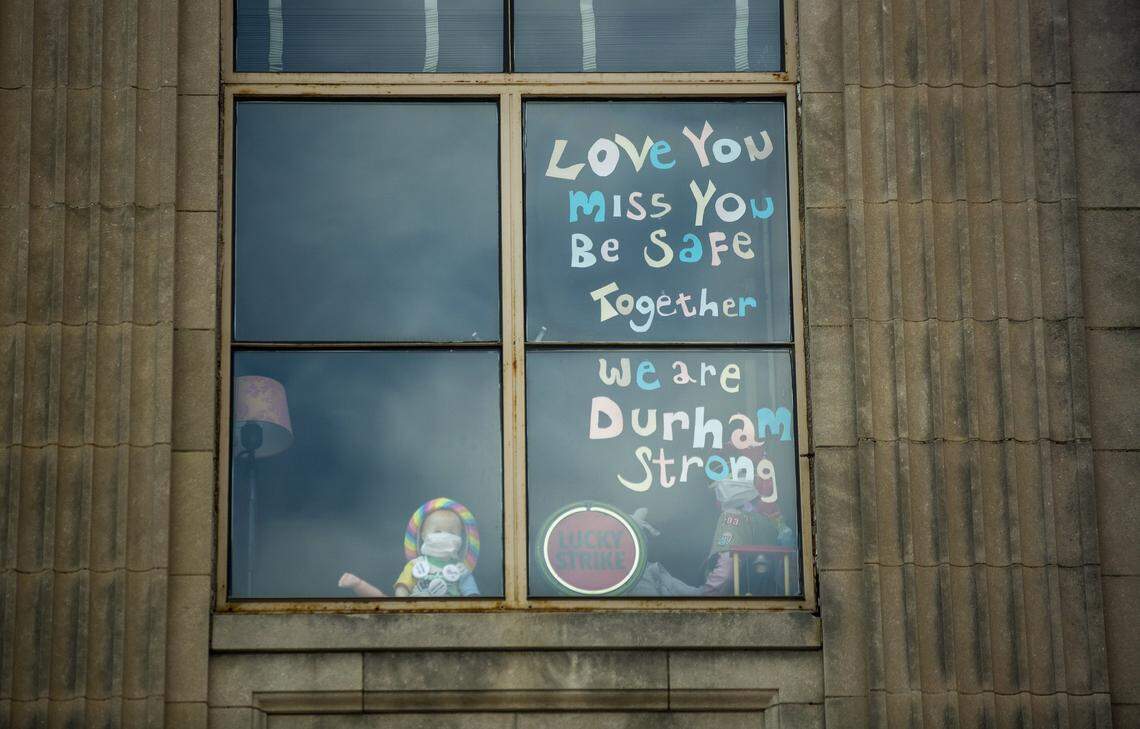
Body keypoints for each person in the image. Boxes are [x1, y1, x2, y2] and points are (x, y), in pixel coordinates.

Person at [338, 497, 481, 598]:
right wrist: (403, 602)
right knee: (383, 602)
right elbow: (403, 587)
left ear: (461, 538)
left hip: (449, 614)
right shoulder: (416, 565)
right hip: (416, 611)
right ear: (423, 535)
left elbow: (472, 595)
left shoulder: (461, 569)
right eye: (438, 532)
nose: (444, 536)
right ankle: (358, 584)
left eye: (452, 533)